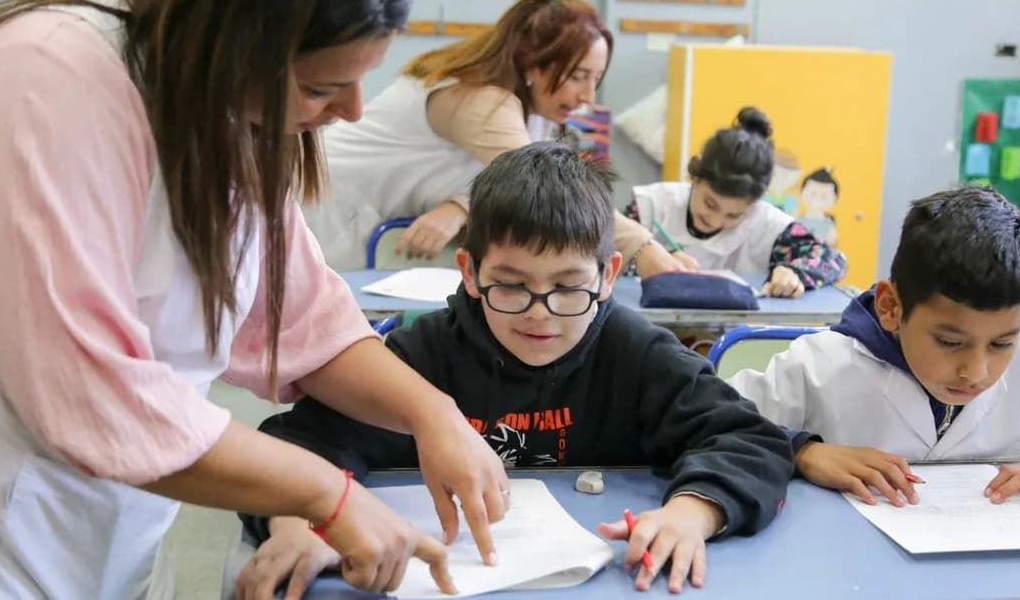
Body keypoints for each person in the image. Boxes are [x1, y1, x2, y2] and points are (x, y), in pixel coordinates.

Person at [0, 0, 511, 597]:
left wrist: (430, 412)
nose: (353, 110)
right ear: (234, 39)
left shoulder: (221, 105)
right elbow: (86, 388)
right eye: (320, 87)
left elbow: (302, 322)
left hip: (114, 528)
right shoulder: (47, 81)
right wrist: (324, 493)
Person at [235, 142, 795, 599]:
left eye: (567, 287)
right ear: (471, 272)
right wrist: (299, 525)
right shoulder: (423, 357)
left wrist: (692, 514)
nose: (539, 312)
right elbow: (295, 447)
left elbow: (749, 438)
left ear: (608, 275)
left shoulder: (635, 352)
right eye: (511, 284)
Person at [730, 187, 1020, 511]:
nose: (976, 371)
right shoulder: (819, 366)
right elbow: (710, 422)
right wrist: (804, 450)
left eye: (1001, 343)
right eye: (950, 342)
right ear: (890, 307)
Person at [303, 0, 689, 276]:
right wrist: (644, 249)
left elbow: (510, 179)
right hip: (324, 207)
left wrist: (459, 205)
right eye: (577, 77)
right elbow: (548, 190)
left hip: (369, 225)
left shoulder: (534, 112)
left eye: (596, 79)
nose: (587, 96)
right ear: (532, 65)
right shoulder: (480, 101)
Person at [624, 107, 846, 298]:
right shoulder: (651, 205)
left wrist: (794, 272)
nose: (716, 220)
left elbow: (832, 260)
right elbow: (602, 257)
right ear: (697, 176)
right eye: (710, 204)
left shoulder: (771, 226)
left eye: (734, 215)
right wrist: (645, 258)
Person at [797, 167, 840, 247]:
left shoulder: (828, 224)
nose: (817, 199)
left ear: (834, 199)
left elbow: (832, 245)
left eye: (824, 196)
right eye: (813, 193)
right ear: (802, 192)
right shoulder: (797, 220)